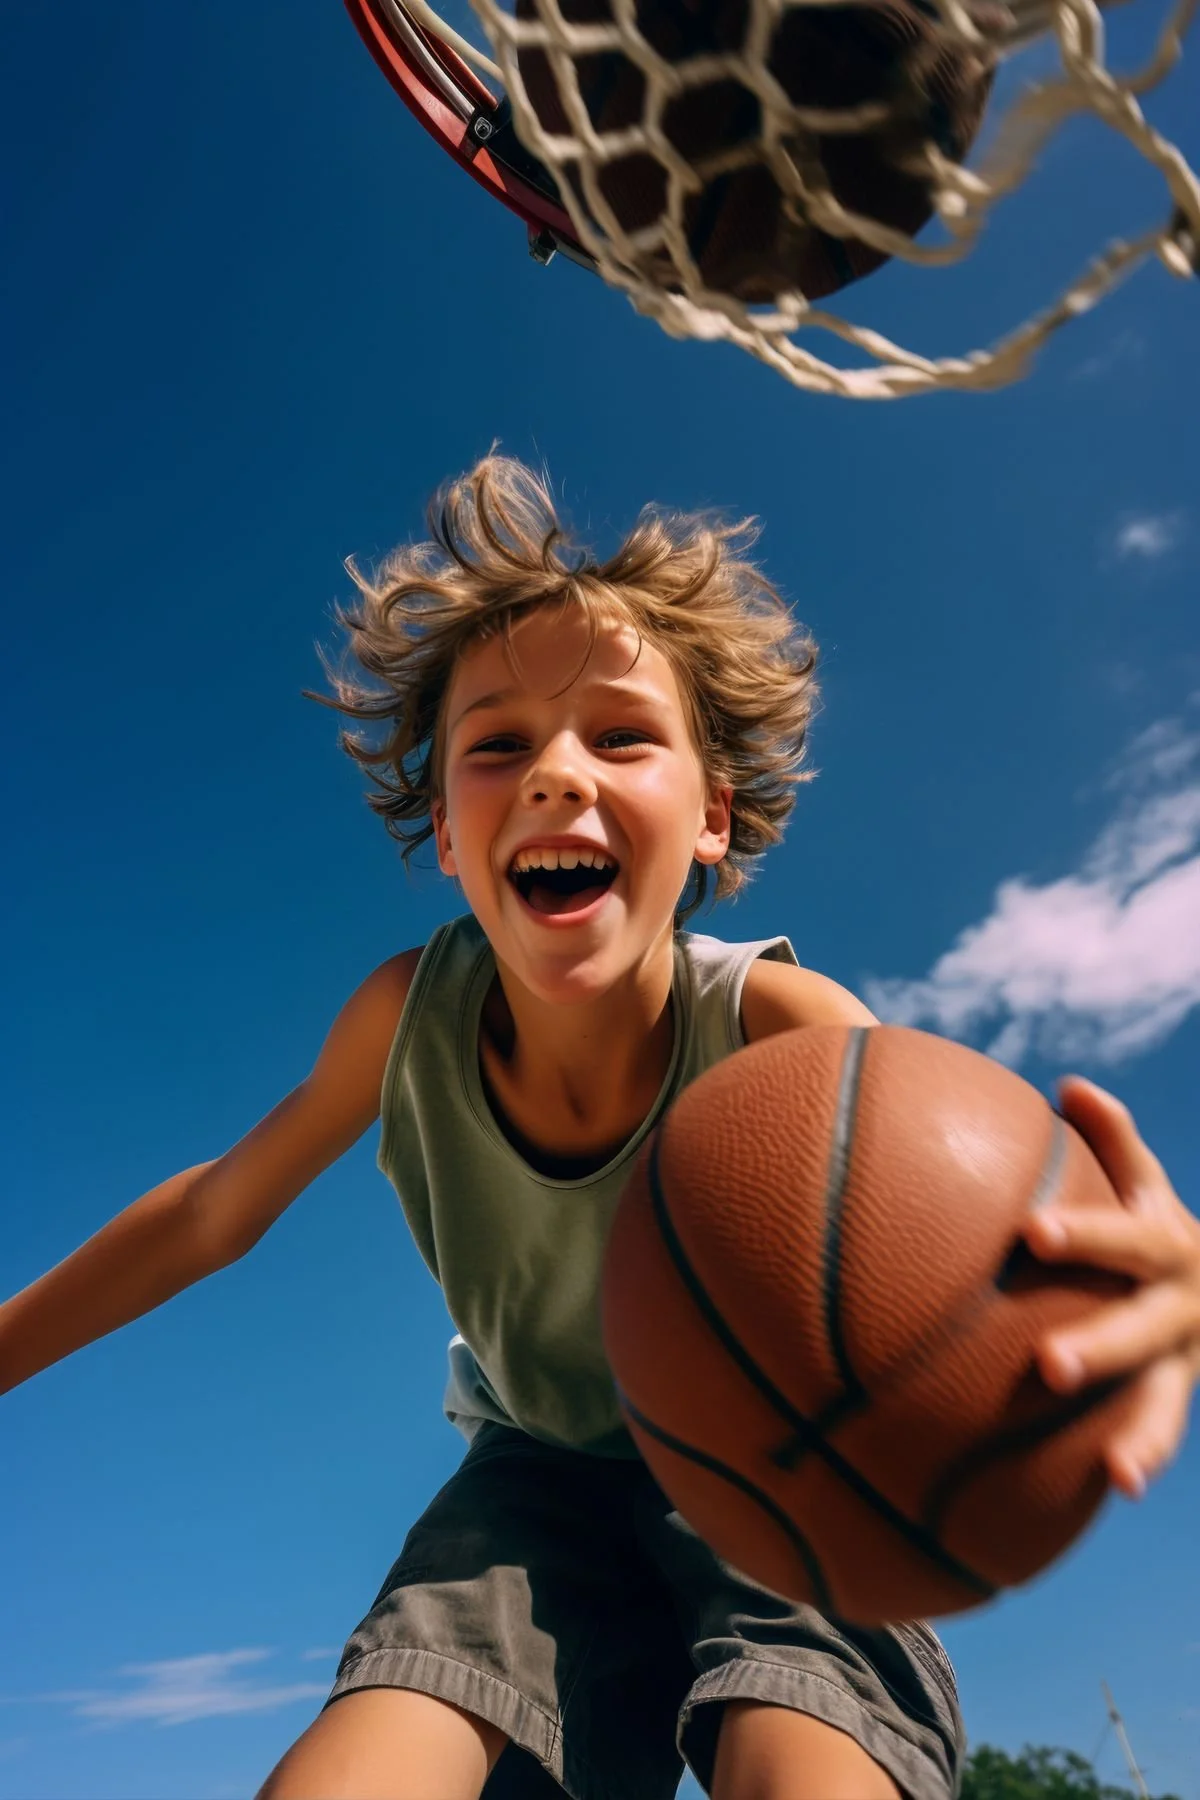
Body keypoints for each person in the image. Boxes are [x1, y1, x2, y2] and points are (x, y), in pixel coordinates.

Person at [2, 457, 1197, 1800]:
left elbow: (982, 1210)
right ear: (449, 840)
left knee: (803, 1768)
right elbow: (217, 1210)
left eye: (621, 737)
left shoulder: (785, 1030)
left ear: (710, 820)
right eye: (498, 743)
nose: (557, 775)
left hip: (796, 1454)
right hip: (535, 1480)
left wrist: (1165, 1269)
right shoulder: (408, 1017)